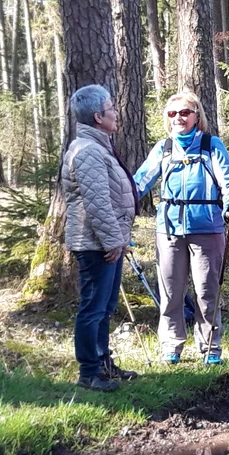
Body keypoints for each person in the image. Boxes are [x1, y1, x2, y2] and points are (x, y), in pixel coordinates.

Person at [133, 90, 229, 365]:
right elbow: (140, 182)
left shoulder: (210, 145)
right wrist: (119, 201)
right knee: (170, 292)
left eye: (184, 113)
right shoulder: (164, 148)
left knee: (207, 291)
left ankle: (210, 348)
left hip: (206, 226)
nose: (178, 118)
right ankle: (171, 346)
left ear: (196, 116)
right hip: (168, 229)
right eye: (173, 114)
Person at [63, 85, 139, 392]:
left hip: (108, 242)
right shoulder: (88, 151)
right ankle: (89, 372)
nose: (116, 114)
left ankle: (103, 363)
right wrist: (112, 241)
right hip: (96, 245)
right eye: (111, 110)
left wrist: (119, 239)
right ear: (98, 117)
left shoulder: (99, 146)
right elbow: (98, 202)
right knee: (93, 308)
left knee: (104, 308)